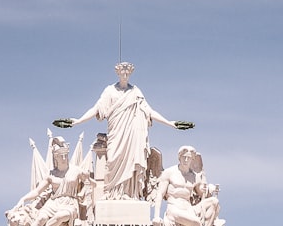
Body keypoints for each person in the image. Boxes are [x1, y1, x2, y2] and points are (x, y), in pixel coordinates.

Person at [60, 62, 189, 200]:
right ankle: (111, 192)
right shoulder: (109, 91)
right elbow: (96, 109)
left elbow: (149, 111)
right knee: (113, 160)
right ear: (118, 73)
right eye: (123, 72)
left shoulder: (135, 92)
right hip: (116, 132)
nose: (125, 75)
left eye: (128, 73)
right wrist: (79, 120)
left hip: (131, 134)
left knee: (131, 161)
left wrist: (170, 123)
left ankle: (128, 194)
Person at [6, 137, 92, 226]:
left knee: (61, 216)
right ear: (55, 158)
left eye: (65, 155)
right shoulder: (51, 175)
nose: (64, 158)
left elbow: (93, 184)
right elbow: (37, 192)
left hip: (70, 203)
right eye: (60, 156)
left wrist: (89, 179)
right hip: (54, 203)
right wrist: (23, 199)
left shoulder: (76, 170)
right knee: (41, 218)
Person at [150, 145, 230, 226]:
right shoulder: (169, 172)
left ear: (192, 159)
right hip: (174, 209)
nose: (186, 160)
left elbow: (202, 193)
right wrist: (156, 216)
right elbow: (160, 195)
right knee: (196, 222)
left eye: (189, 157)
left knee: (213, 202)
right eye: (184, 157)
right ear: (179, 157)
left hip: (188, 208)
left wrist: (209, 189)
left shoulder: (194, 176)